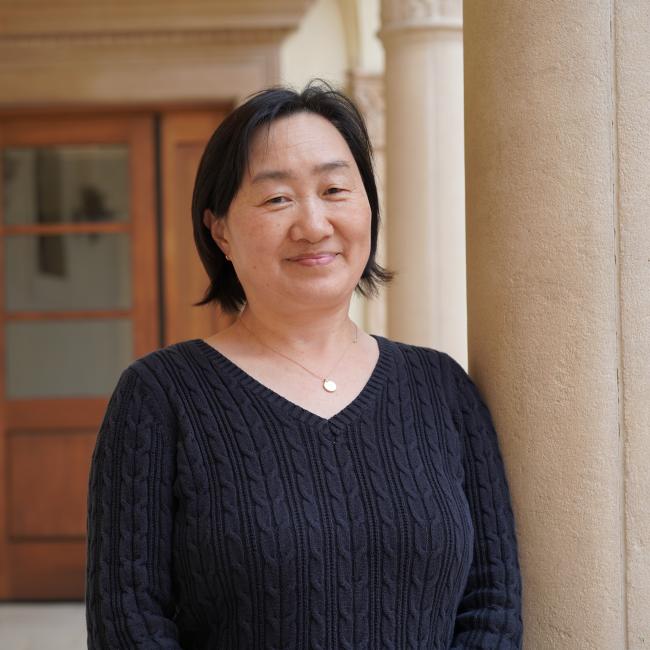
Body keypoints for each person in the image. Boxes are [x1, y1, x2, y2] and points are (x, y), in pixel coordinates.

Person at [86, 81, 523, 649]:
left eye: (335, 189)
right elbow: (129, 623)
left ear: (368, 206)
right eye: (276, 199)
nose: (314, 224)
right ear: (219, 229)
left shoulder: (440, 387)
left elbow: (493, 600)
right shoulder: (160, 397)